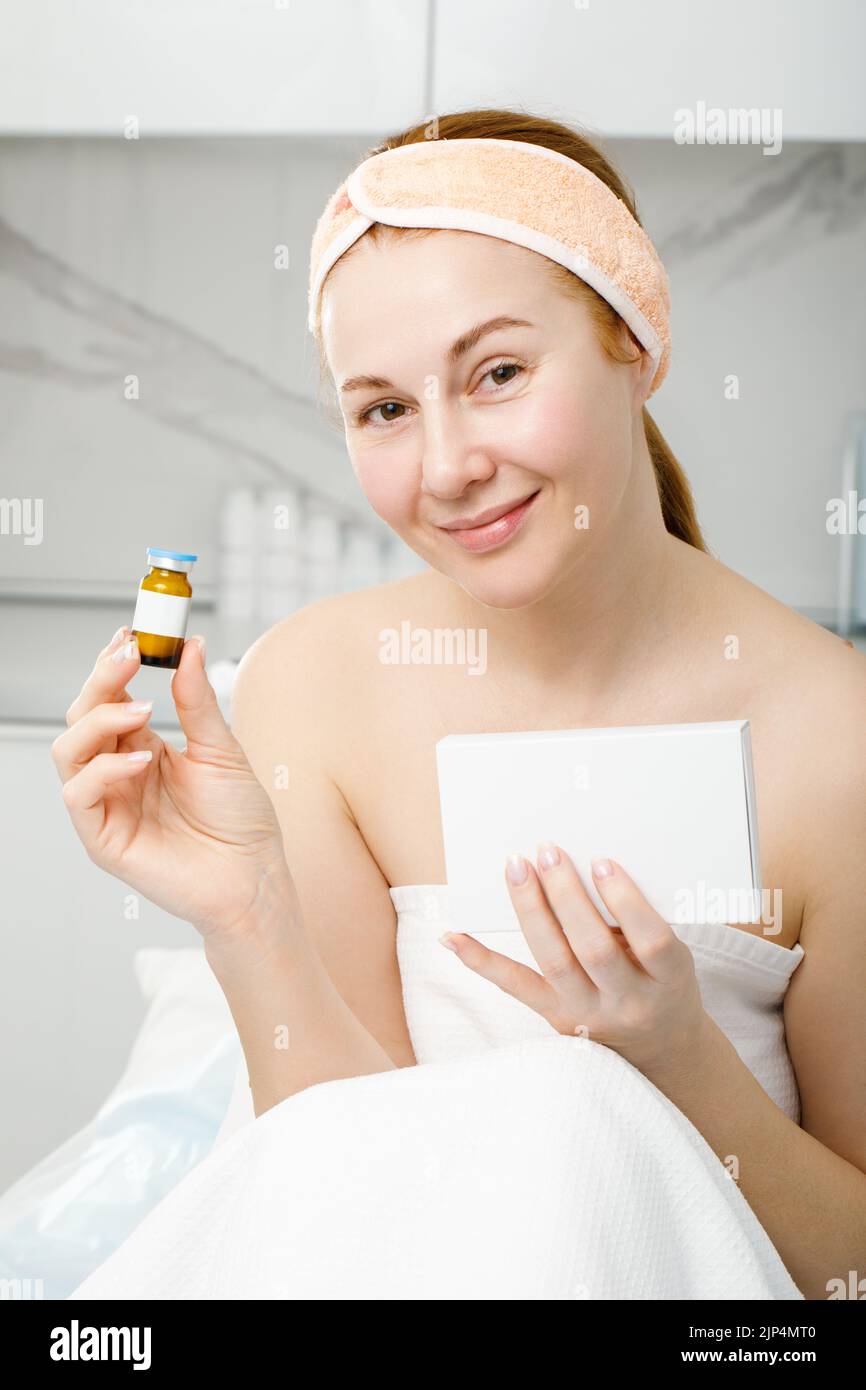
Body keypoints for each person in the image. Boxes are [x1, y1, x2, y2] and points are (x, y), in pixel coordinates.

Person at [53, 110, 866, 1301]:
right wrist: (247, 914)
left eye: (496, 374)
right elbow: (338, 1182)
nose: (445, 468)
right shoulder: (313, 688)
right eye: (383, 408)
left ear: (635, 343)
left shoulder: (833, 735)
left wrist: (676, 1058)